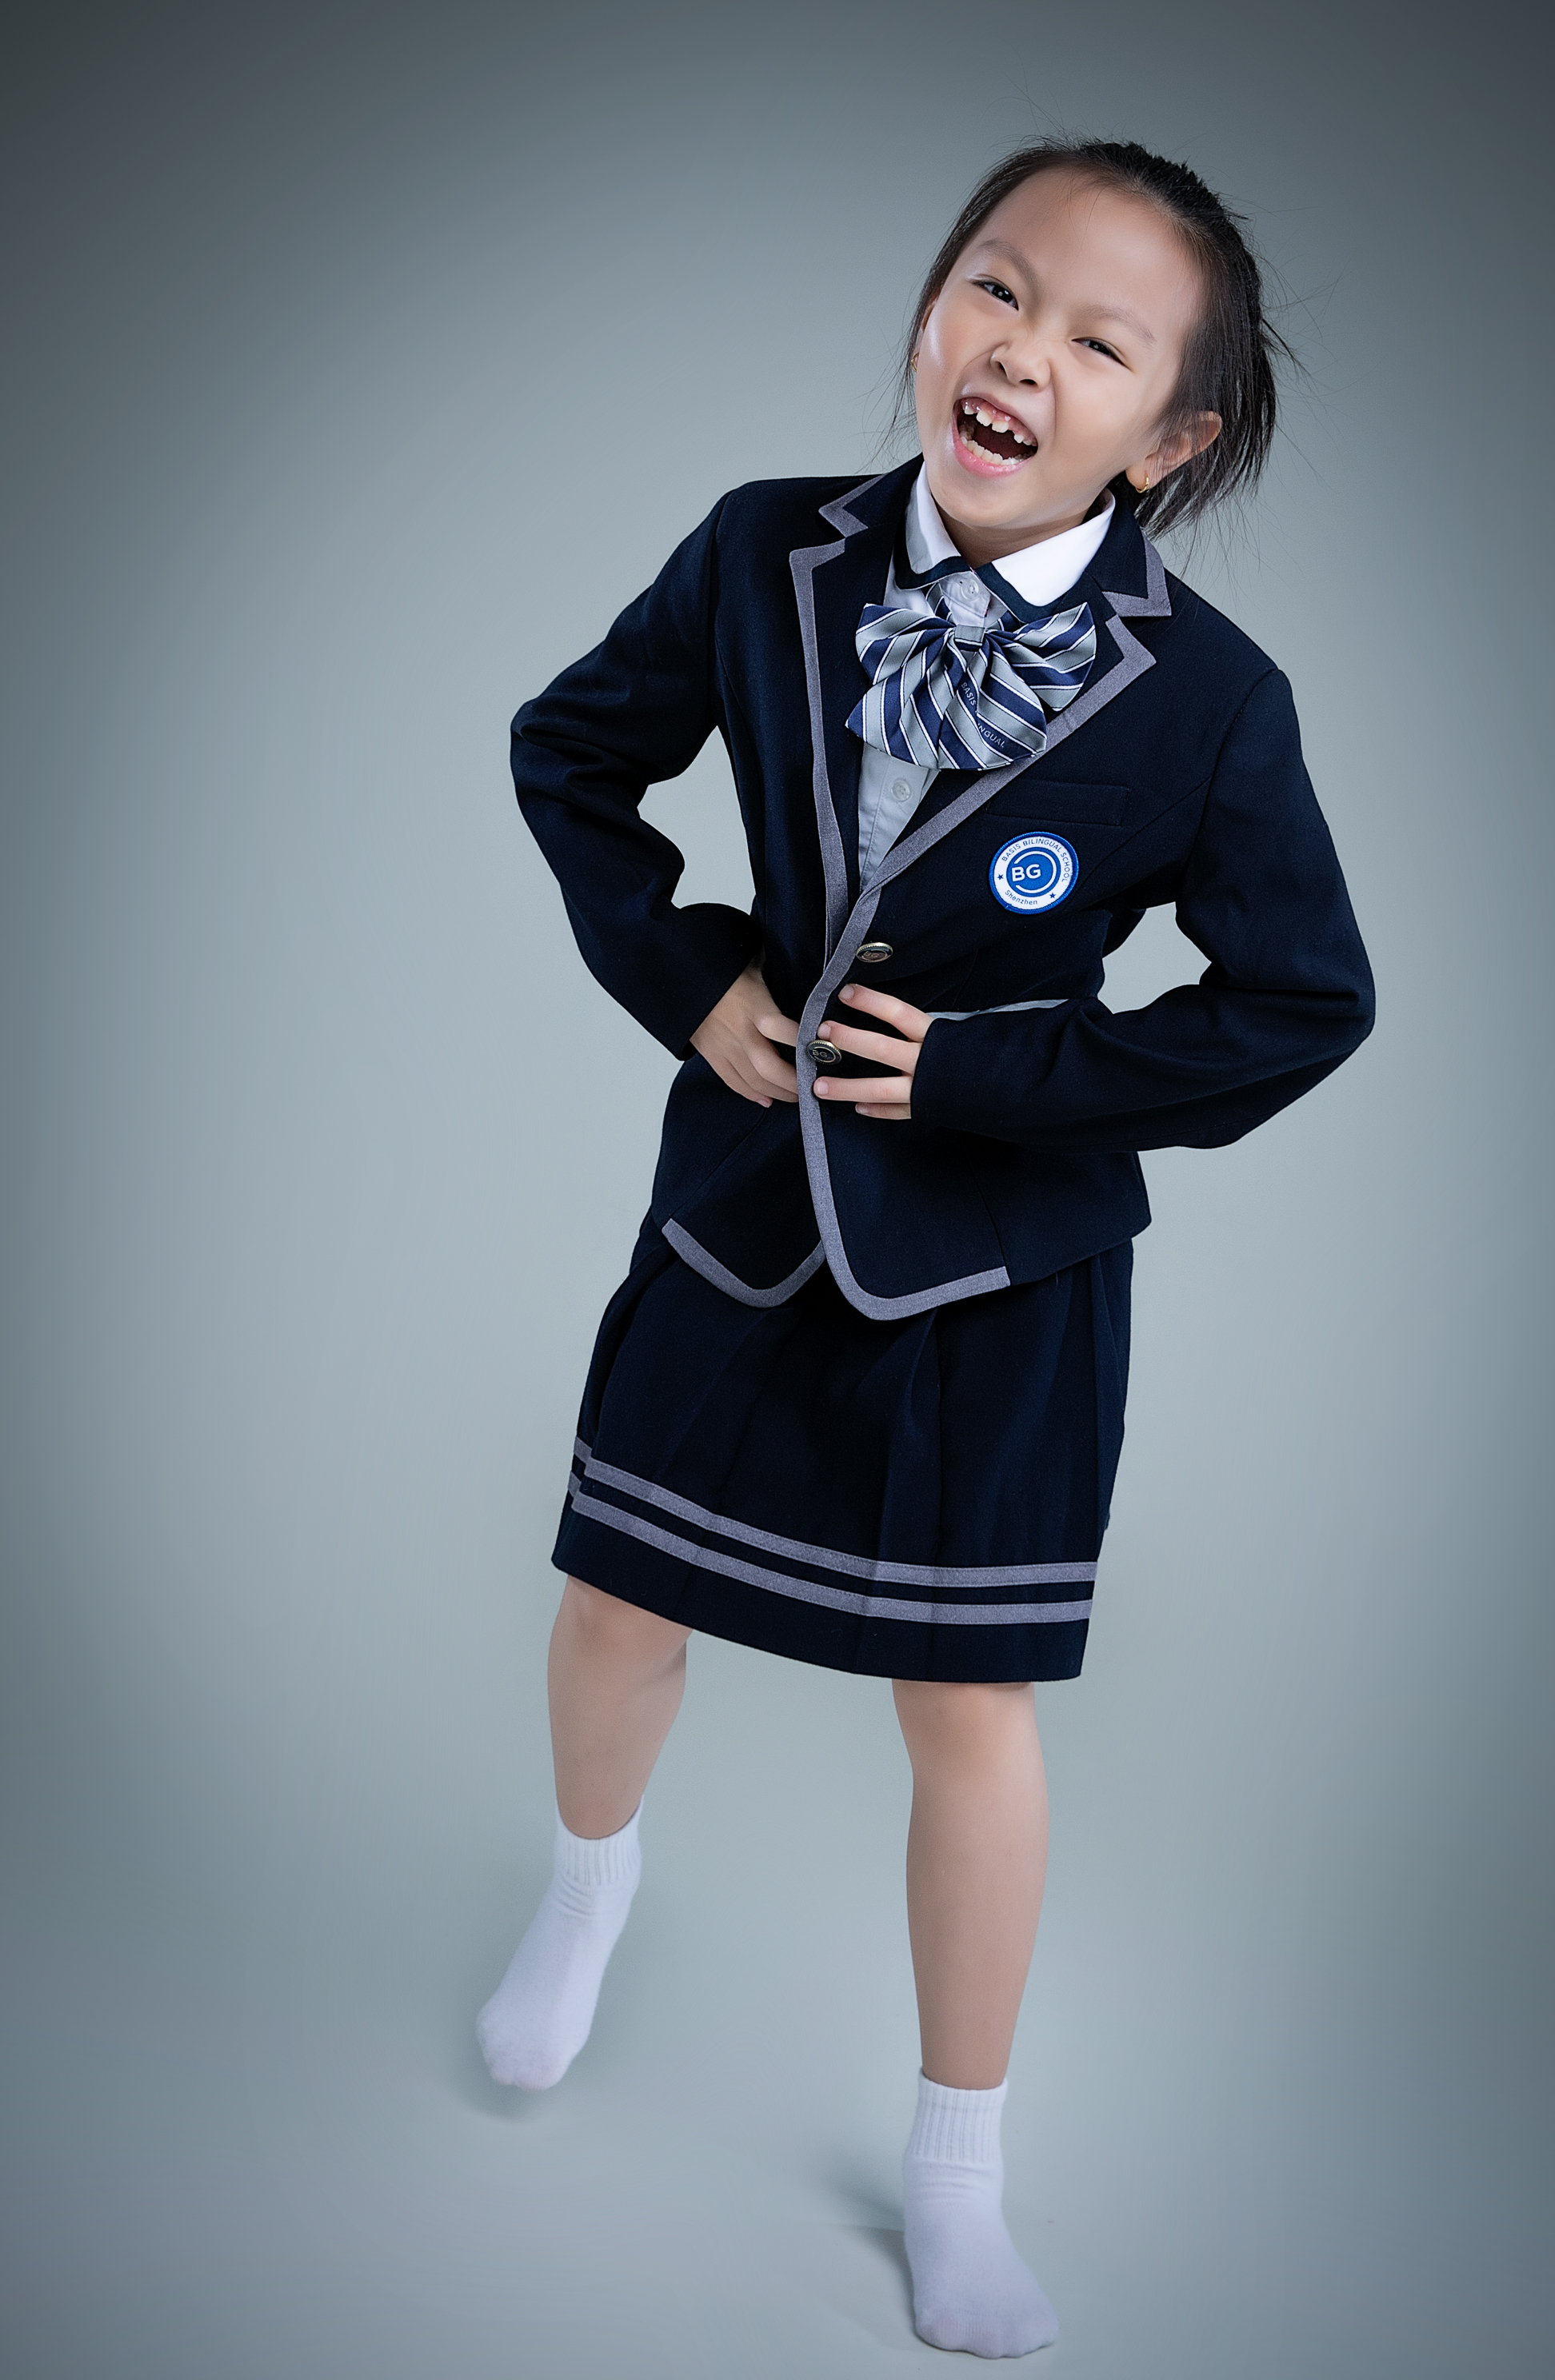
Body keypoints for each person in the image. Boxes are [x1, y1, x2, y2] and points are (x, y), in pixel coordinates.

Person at [480, 138, 1374, 2358]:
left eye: (1098, 341)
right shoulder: (760, 548)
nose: (1021, 353)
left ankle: (958, 2174)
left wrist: (992, 1075)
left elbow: (1301, 1002)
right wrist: (690, 973)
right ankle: (588, 1891)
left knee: (969, 1709)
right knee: (613, 1603)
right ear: (933, 308)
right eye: (997, 287)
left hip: (1001, 1273)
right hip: (740, 1201)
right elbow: (570, 754)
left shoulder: (1212, 698)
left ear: (1172, 439)